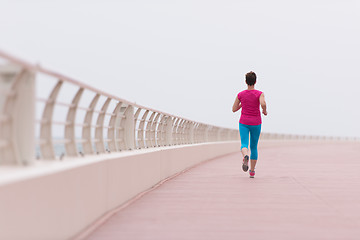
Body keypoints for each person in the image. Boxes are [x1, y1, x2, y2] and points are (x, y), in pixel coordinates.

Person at [232, 71, 267, 178]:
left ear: (245, 82)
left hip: (244, 122)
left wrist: (242, 104)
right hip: (256, 122)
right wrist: (264, 110)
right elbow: (263, 103)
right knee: (254, 146)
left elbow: (233, 109)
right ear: (255, 81)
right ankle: (252, 171)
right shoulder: (259, 93)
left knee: (244, 144)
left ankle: (245, 155)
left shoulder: (240, 94)